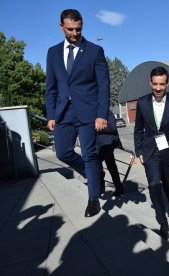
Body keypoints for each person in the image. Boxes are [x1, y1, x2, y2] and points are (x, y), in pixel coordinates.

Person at [45, 9, 110, 217]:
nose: (75, 33)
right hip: (63, 112)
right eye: (70, 29)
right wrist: (51, 115)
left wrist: (102, 114)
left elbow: (104, 85)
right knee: (63, 153)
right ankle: (95, 176)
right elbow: (51, 86)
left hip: (88, 112)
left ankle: (93, 199)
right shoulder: (53, 52)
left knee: (90, 154)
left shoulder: (94, 51)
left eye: (78, 29)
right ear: (61, 27)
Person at [134, 66, 169, 239]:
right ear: (150, 83)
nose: (158, 88)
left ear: (167, 84)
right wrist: (139, 150)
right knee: (154, 185)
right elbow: (138, 130)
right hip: (150, 152)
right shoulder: (142, 103)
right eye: (155, 84)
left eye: (162, 84)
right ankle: (162, 221)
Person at [97, 110, 124, 197]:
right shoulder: (92, 112)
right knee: (102, 167)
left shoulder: (107, 112)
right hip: (98, 145)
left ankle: (118, 189)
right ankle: (116, 188)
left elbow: (112, 127)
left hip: (107, 144)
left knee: (111, 167)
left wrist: (97, 127)